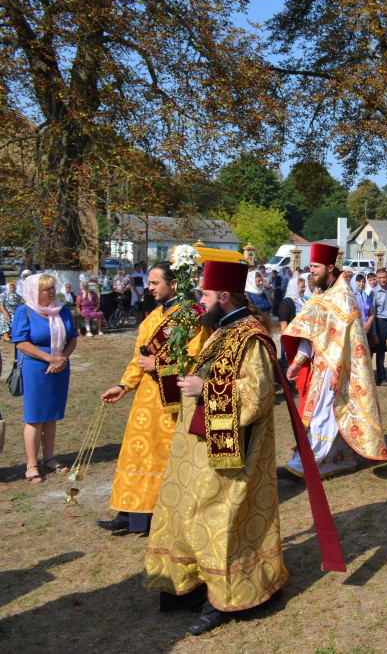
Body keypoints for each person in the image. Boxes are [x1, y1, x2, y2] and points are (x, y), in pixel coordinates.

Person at [144, 260, 286, 634]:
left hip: (235, 449)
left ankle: (223, 595)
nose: (199, 299)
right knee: (188, 512)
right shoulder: (221, 330)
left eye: (204, 293)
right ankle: (191, 584)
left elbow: (258, 394)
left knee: (218, 520)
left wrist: (205, 389)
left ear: (223, 295)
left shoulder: (251, 336)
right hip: (202, 443)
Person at [97, 262, 209, 535]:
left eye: (155, 282)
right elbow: (140, 357)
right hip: (145, 399)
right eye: (149, 282)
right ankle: (129, 512)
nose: (149, 287)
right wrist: (124, 385)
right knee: (137, 454)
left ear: (173, 284)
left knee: (161, 457)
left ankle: (156, 515)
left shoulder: (191, 316)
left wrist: (158, 365)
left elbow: (196, 359)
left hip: (171, 400)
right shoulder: (154, 316)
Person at [283, 243, 387, 479]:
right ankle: (340, 458)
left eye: (316, 266)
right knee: (325, 413)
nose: (312, 271)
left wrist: (337, 372)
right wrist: (297, 362)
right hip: (320, 366)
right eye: (311, 266)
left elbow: (348, 341)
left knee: (323, 414)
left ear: (330, 267)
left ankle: (309, 463)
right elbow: (311, 334)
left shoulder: (343, 297)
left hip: (336, 369)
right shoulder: (320, 294)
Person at [12, 274, 78, 483]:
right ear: (34, 292)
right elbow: (21, 343)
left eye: (52, 288)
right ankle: (31, 464)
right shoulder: (24, 311)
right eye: (46, 289)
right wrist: (50, 359)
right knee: (35, 417)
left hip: (60, 368)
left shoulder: (62, 310)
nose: (52, 292)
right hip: (35, 368)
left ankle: (49, 458)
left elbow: (72, 338)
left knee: (51, 415)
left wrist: (61, 359)